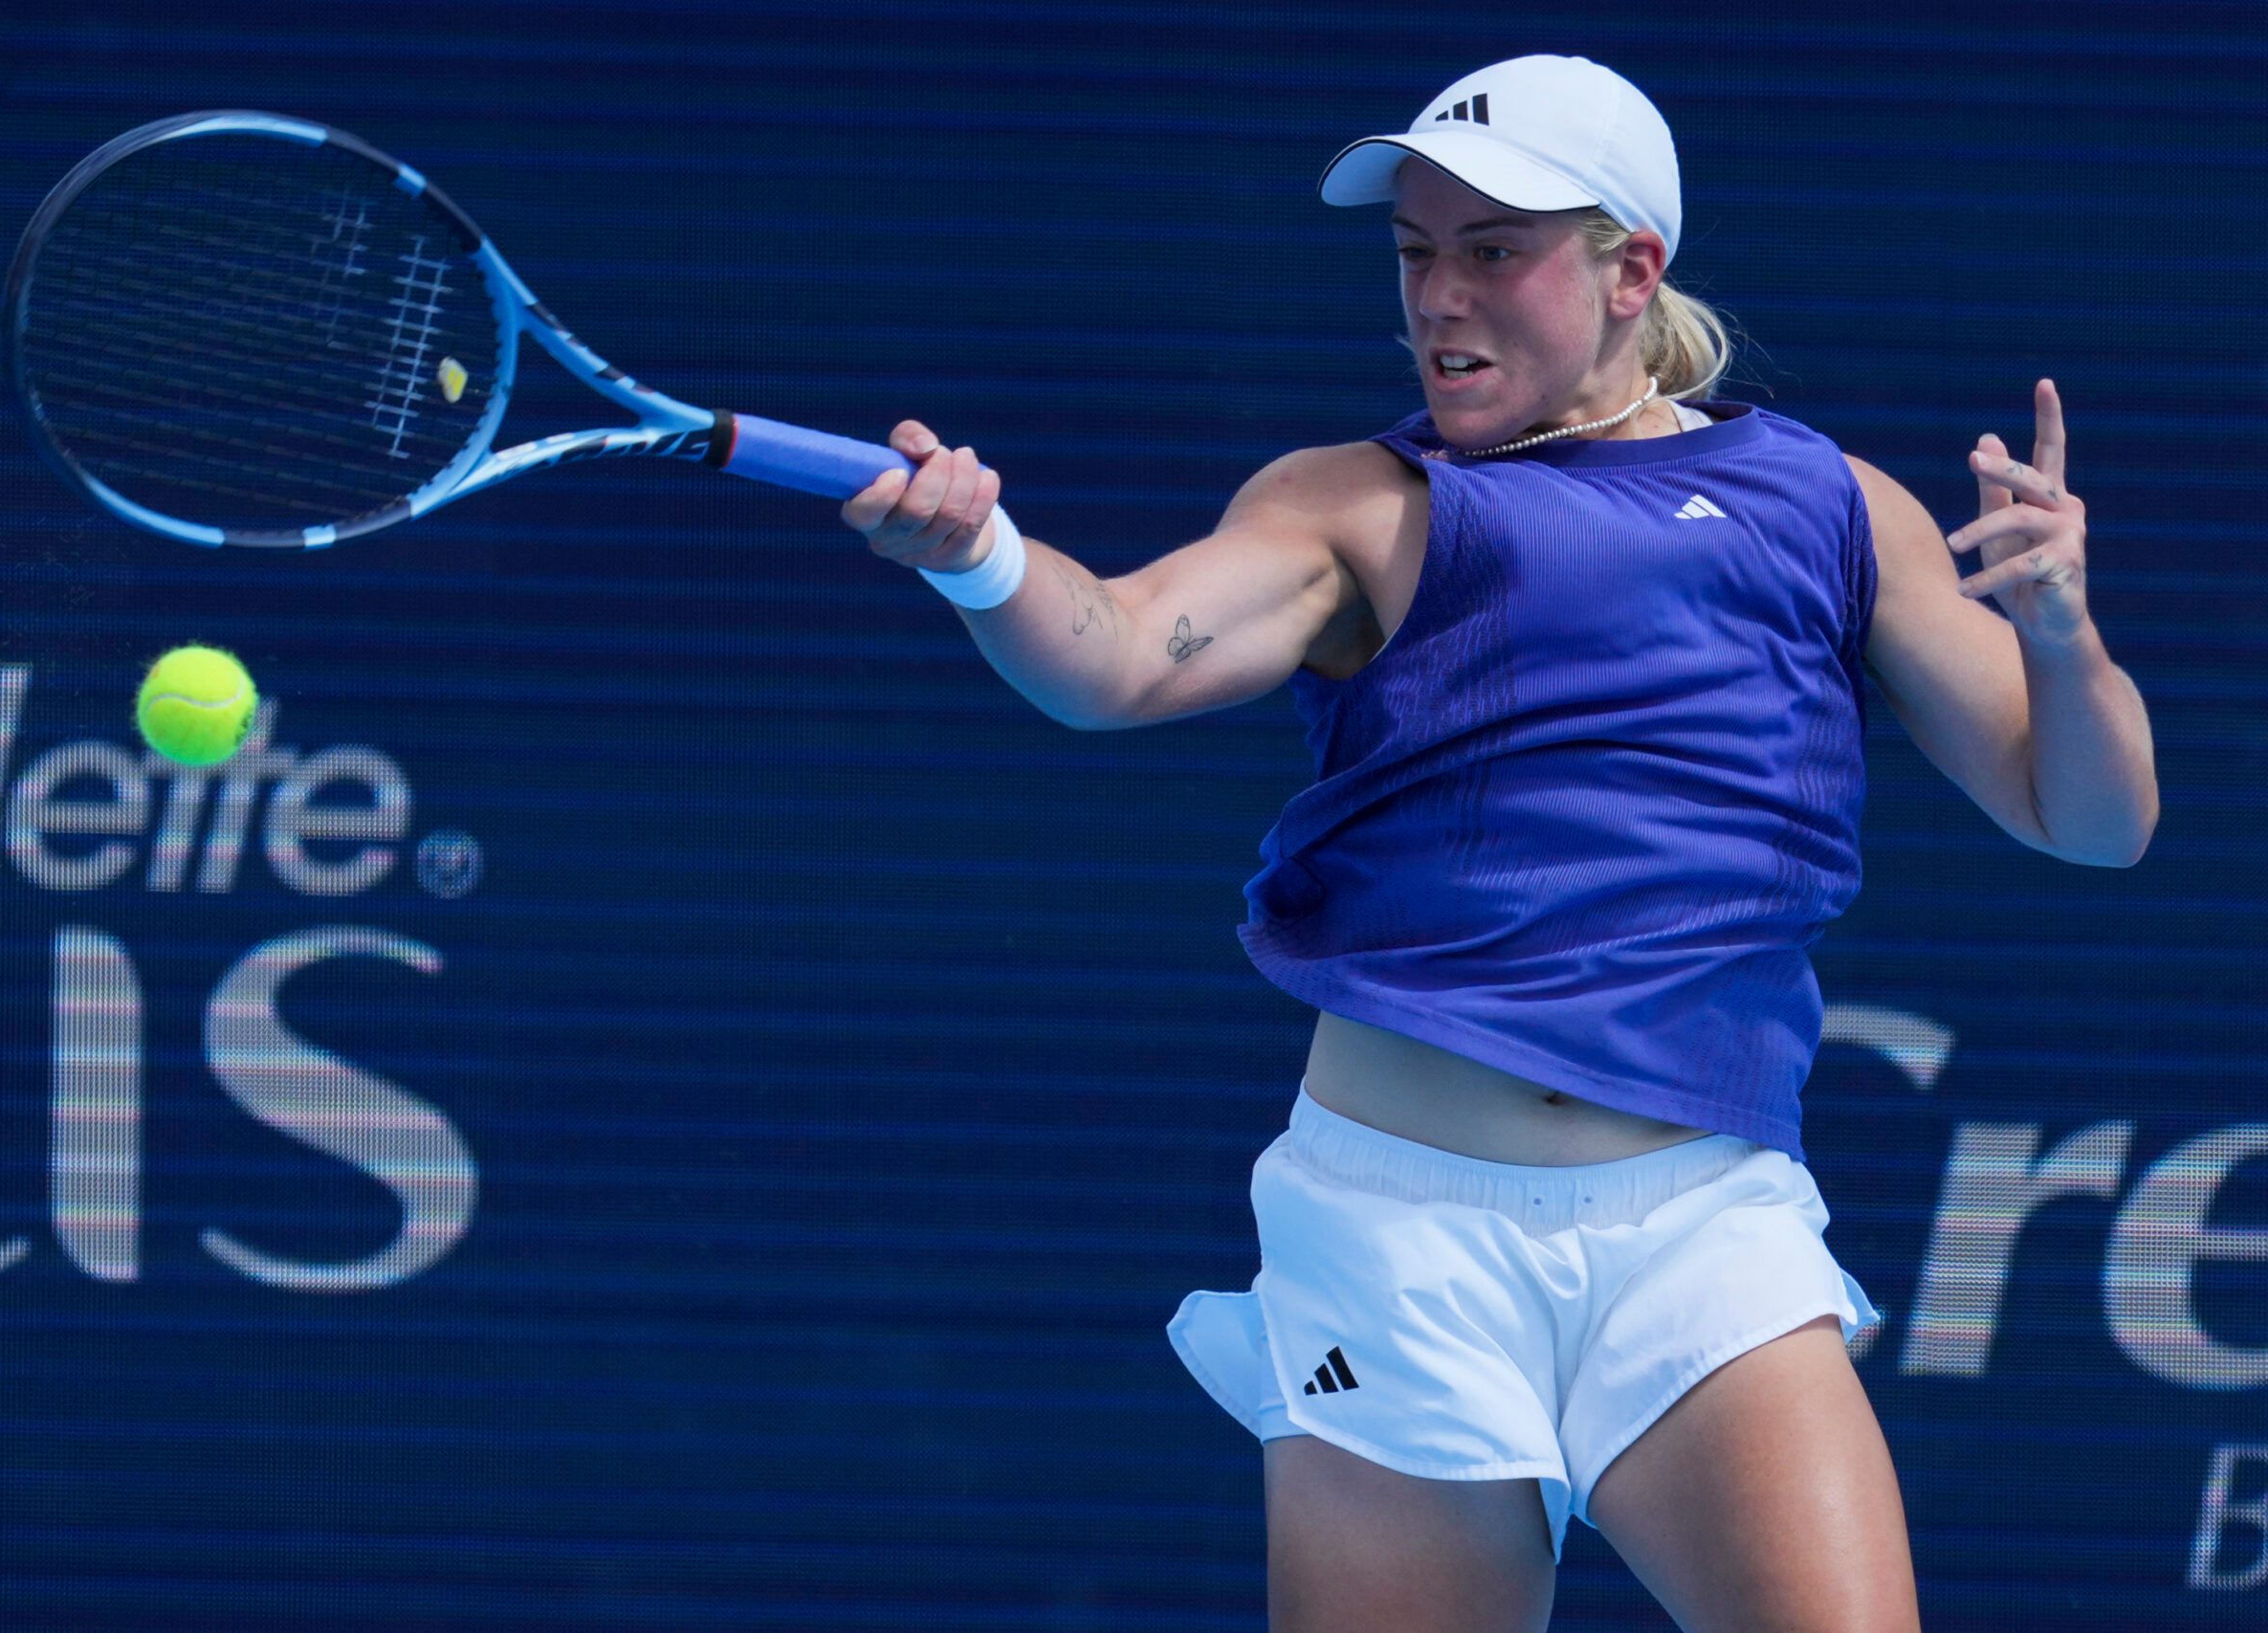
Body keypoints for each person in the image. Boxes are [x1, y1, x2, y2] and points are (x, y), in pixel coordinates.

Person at [841, 54, 2157, 1633]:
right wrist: (979, 555)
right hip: (1394, 1239)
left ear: (1630, 273)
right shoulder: (1364, 508)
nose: (1438, 298)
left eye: (1491, 251)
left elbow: (2091, 822)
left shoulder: (1826, 506)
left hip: (1699, 1229)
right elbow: (1118, 652)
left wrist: (2066, 635)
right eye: (1414, 254)